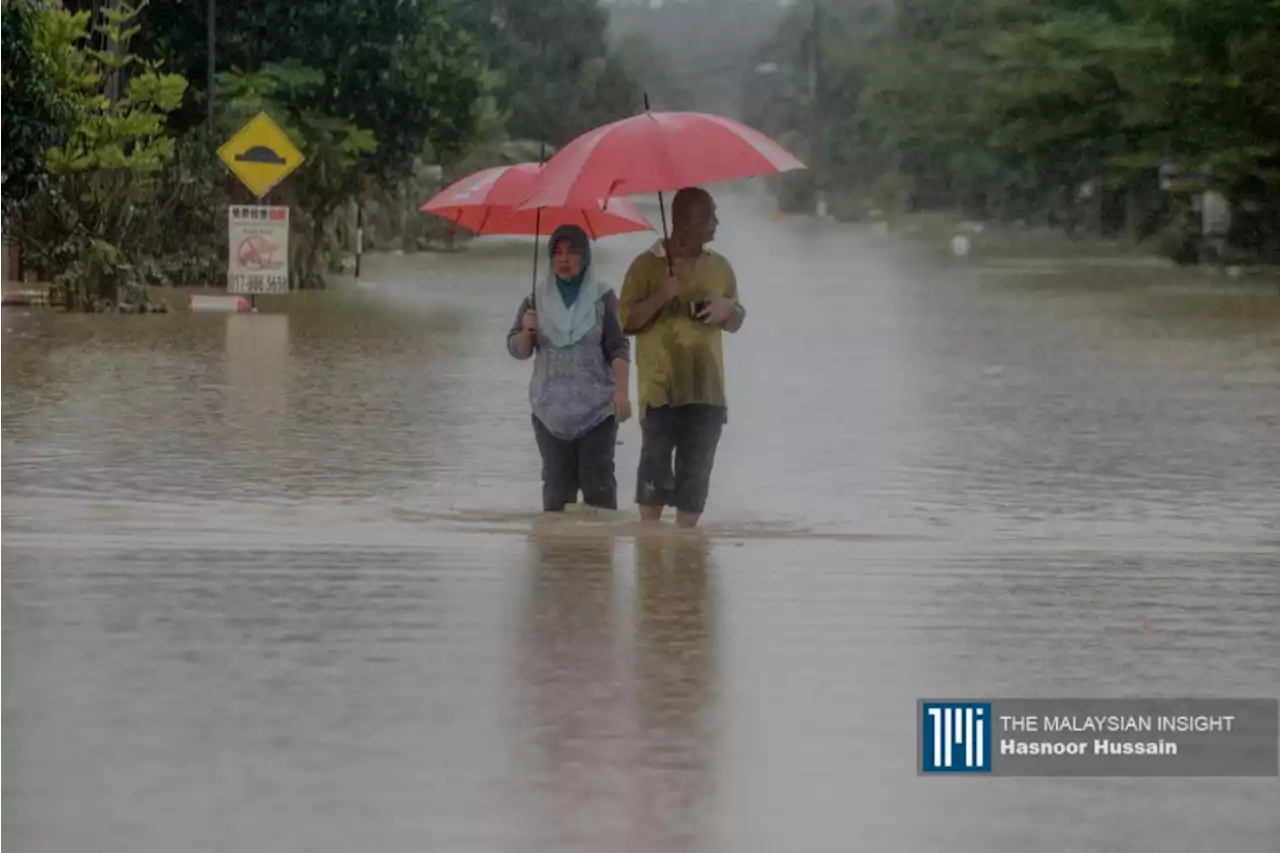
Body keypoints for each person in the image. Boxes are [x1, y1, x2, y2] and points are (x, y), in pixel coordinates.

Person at [618, 187, 745, 528]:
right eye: (709, 216)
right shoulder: (645, 266)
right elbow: (626, 322)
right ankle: (650, 555)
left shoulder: (720, 267)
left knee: (696, 477)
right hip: (660, 389)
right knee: (654, 474)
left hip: (707, 388)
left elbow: (736, 321)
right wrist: (662, 294)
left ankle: (688, 554)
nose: (716, 223)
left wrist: (728, 309)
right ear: (684, 220)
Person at [508, 223, 632, 512]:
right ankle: (557, 556)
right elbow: (518, 351)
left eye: (573, 252)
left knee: (598, 490)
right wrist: (526, 331)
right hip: (549, 410)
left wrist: (622, 392)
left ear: (586, 257)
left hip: (597, 411)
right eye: (558, 253)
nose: (564, 259)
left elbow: (618, 347)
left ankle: (599, 554)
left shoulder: (603, 298)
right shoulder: (534, 300)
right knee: (556, 493)